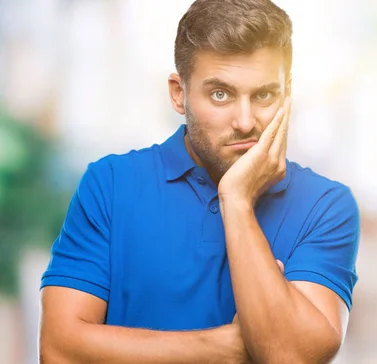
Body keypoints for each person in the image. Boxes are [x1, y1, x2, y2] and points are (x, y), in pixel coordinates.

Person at [38, 1, 360, 363]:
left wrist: (236, 200)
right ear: (179, 93)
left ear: (287, 92)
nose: (244, 121)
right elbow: (60, 351)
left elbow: (290, 356)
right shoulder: (109, 184)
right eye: (220, 94)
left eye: (264, 95)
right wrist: (224, 346)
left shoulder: (326, 205)